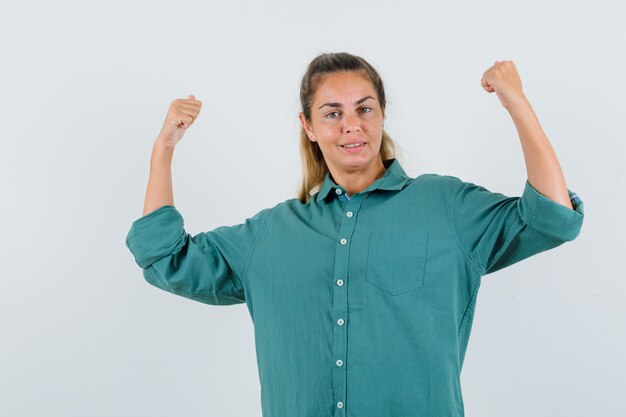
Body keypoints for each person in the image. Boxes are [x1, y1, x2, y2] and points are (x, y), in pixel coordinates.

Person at [125, 52, 584, 417]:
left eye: (364, 108)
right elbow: (166, 258)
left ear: (382, 115)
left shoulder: (446, 209)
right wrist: (163, 148)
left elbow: (552, 217)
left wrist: (516, 102)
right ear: (307, 126)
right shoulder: (270, 235)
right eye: (332, 113)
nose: (351, 125)